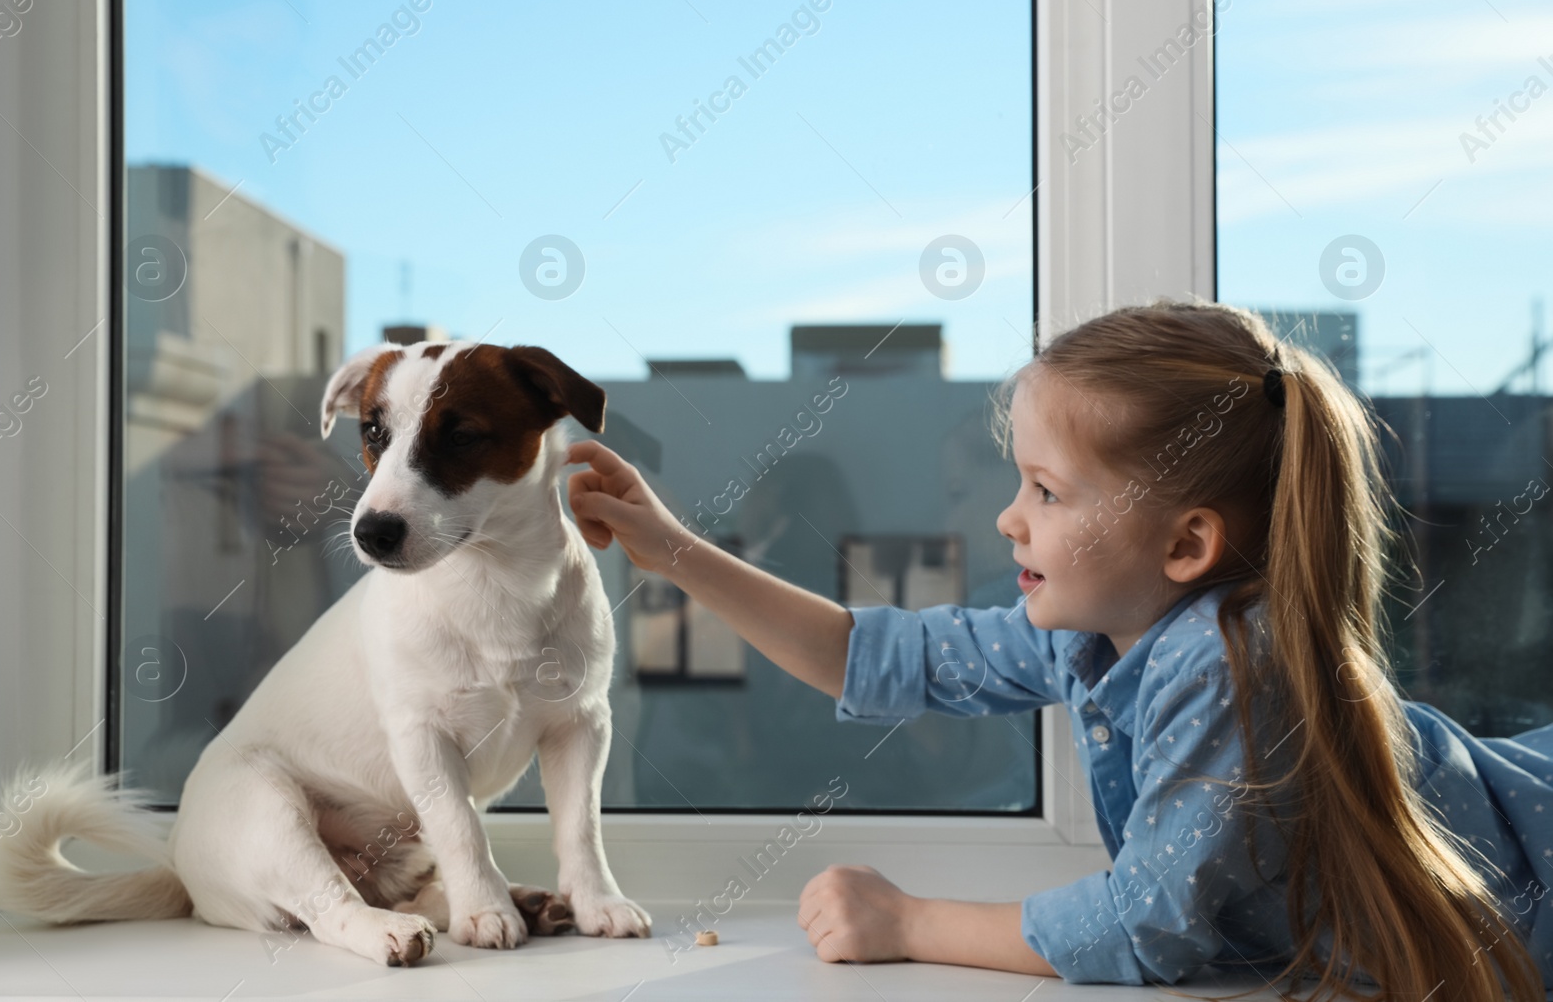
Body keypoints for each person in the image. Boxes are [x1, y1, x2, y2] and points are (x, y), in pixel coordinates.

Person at [565, 299, 1551, 1001]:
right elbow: (872, 656)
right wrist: (671, 547)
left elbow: (1146, 926)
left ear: (1183, 544)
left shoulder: (1229, 660)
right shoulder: (1096, 624)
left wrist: (907, 922)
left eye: (1044, 489)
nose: (1007, 518)